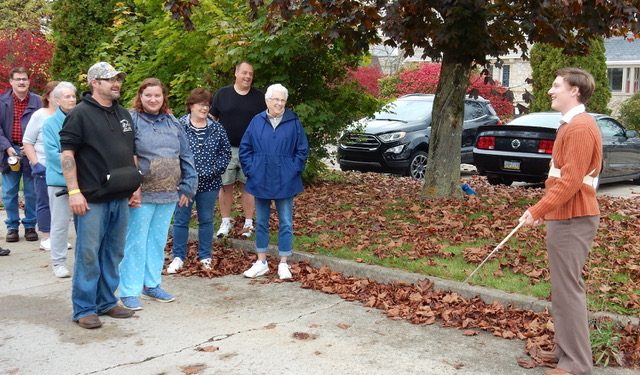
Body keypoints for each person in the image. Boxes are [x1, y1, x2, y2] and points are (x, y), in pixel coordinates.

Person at [519, 68, 601, 375]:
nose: (551, 91)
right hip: (565, 215)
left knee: (568, 290)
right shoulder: (572, 124)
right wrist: (548, 210)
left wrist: (538, 210)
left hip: (574, 218)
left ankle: (577, 364)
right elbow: (562, 181)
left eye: (557, 86)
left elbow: (569, 183)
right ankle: (563, 351)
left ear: (575, 91)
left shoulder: (580, 127)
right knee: (563, 288)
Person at [59, 62, 141, 329]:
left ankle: (106, 301)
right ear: (94, 83)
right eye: (110, 80)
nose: (116, 83)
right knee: (88, 254)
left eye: (118, 79)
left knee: (113, 253)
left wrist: (135, 186)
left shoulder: (124, 114)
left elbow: (131, 154)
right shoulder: (79, 115)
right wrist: (74, 192)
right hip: (91, 199)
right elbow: (67, 154)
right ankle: (84, 308)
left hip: (120, 196)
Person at [118, 78, 197, 311]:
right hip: (141, 194)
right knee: (136, 241)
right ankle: (129, 290)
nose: (153, 99)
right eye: (148, 95)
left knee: (157, 240)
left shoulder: (172, 122)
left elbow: (186, 153)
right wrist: (132, 186)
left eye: (157, 95)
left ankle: (152, 284)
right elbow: (124, 153)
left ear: (164, 98)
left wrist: (188, 184)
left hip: (169, 193)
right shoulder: (131, 119)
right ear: (140, 97)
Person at [239, 83, 308, 280]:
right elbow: (245, 149)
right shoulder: (256, 121)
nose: (279, 103)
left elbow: (302, 150)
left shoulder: (293, 122)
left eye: (282, 100)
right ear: (267, 101)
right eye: (275, 99)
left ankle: (283, 263)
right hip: (260, 178)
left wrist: (293, 170)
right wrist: (252, 170)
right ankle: (261, 262)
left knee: (286, 222)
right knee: (261, 222)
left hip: (286, 180)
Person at [168, 88, 231, 274]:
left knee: (206, 220)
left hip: (209, 184)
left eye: (207, 105)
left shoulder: (217, 128)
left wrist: (215, 170)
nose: (204, 108)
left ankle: (205, 256)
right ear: (191, 106)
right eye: (200, 105)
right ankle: (178, 257)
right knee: (181, 220)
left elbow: (225, 152)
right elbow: (172, 152)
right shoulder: (180, 126)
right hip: (185, 184)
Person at [210, 61, 266, 238]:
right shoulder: (223, 94)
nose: (248, 76)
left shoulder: (259, 97)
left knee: (248, 186)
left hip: (250, 151)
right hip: (226, 149)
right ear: (236, 73)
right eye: (244, 73)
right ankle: (225, 222)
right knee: (225, 186)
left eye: (250, 73)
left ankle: (249, 223)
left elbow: (267, 121)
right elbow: (212, 118)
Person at [0, 67, 42, 243]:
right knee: (9, 192)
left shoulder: (38, 102)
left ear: (29, 81)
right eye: (17, 79)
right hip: (9, 151)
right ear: (11, 81)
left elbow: (44, 126)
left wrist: (31, 146)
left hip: (31, 152)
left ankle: (31, 225)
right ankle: (12, 227)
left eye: (24, 79)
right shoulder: (2, 102)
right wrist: (7, 147)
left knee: (32, 192)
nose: (21, 82)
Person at [42, 81, 77, 278]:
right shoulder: (49, 124)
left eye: (73, 96)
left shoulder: (81, 119)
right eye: (67, 96)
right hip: (59, 180)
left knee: (85, 224)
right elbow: (53, 154)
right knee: (60, 223)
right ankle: (58, 262)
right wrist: (74, 164)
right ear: (56, 100)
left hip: (84, 179)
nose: (71, 99)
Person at [23, 80, 59, 250]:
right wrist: (35, 163)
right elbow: (28, 141)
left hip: (63, 167)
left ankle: (58, 236)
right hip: (44, 165)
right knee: (44, 201)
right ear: (48, 97)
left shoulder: (69, 115)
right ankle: (46, 236)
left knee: (61, 203)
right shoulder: (40, 115)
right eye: (55, 94)